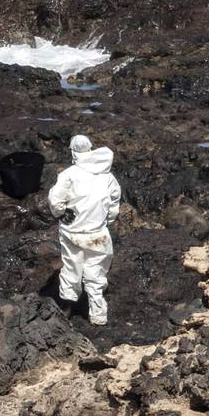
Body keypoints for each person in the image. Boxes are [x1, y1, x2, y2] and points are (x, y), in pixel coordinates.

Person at [48, 135, 122, 326]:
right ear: (91, 149)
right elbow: (114, 202)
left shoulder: (69, 174)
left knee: (71, 267)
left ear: (73, 152)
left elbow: (55, 200)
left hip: (72, 232)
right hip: (98, 234)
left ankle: (67, 308)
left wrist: (61, 213)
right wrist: (108, 219)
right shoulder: (107, 175)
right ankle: (98, 316)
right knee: (96, 272)